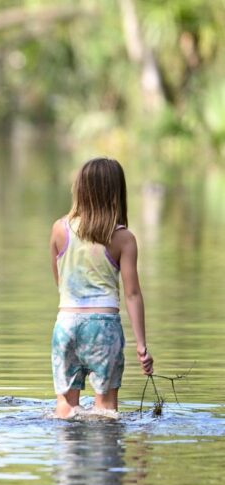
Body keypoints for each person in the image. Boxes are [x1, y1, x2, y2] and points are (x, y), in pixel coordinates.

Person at [49, 157, 154, 418]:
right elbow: (132, 294)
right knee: (105, 411)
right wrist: (141, 345)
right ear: (116, 192)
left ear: (80, 189)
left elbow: (60, 283)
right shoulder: (123, 238)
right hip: (104, 327)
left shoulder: (59, 229)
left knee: (65, 408)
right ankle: (105, 458)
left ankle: (68, 455)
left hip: (67, 323)